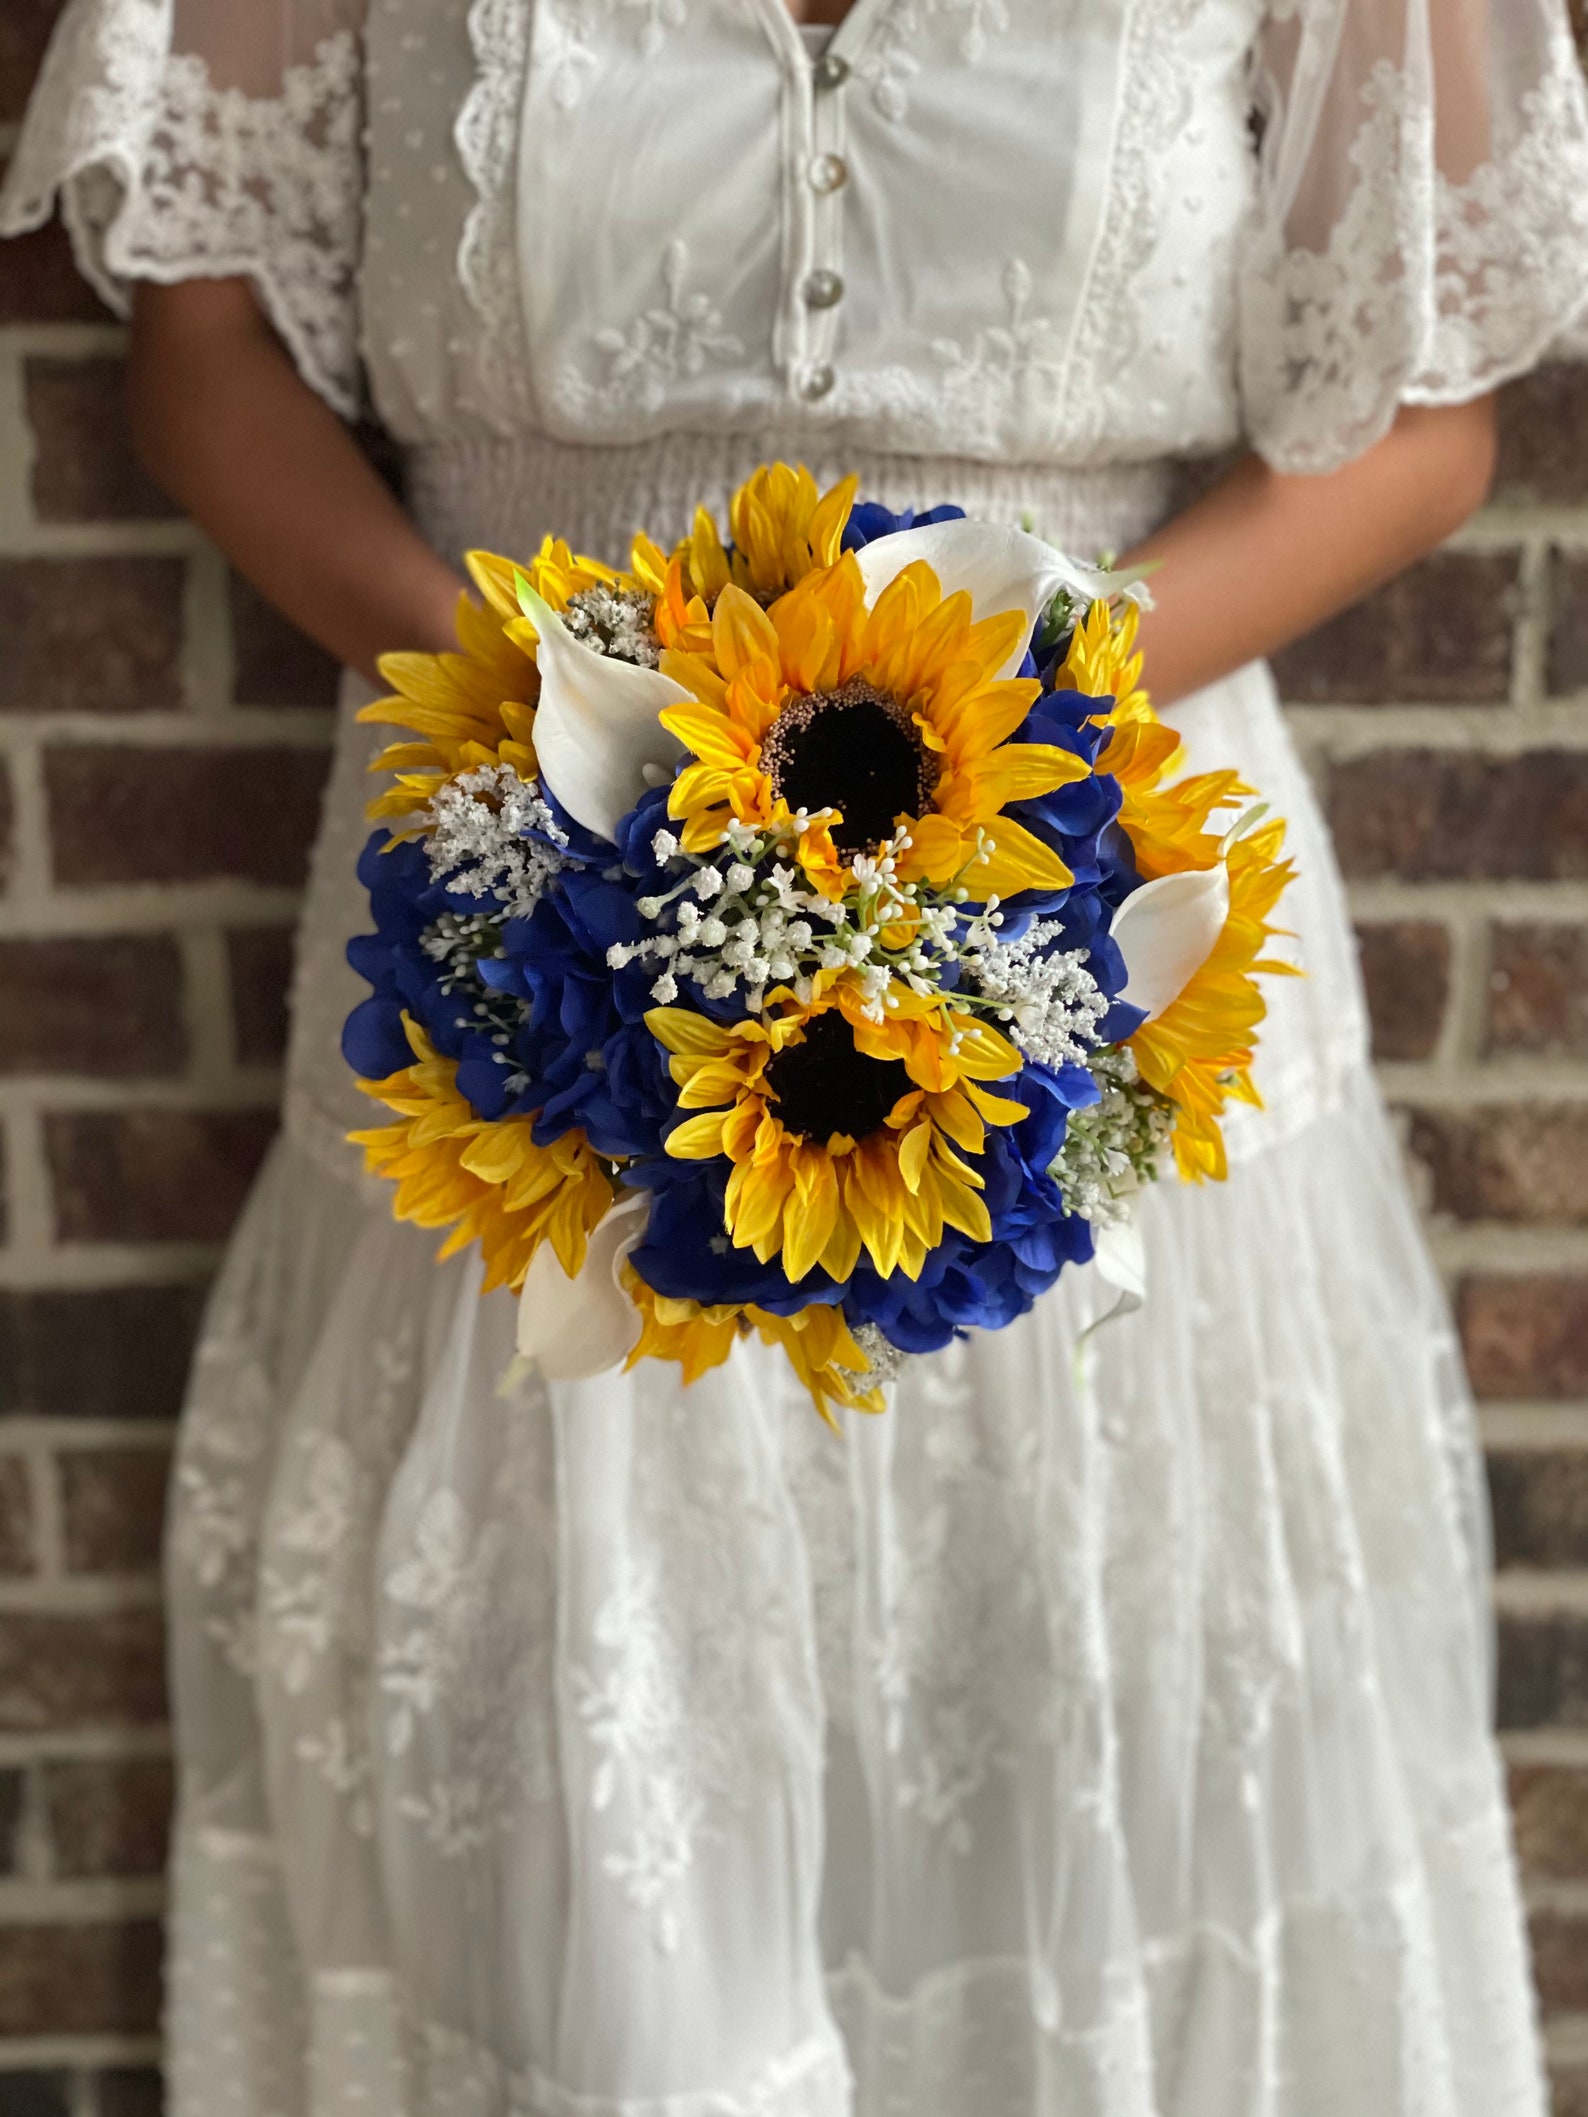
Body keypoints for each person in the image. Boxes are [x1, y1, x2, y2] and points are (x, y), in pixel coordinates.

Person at [5, 2, 1587, 2111]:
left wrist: (970, 744)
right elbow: (205, 355)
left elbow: (1421, 420)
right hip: (528, 926)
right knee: (592, 1886)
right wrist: (565, 743)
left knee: (1098, 1800)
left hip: (1086, 901)